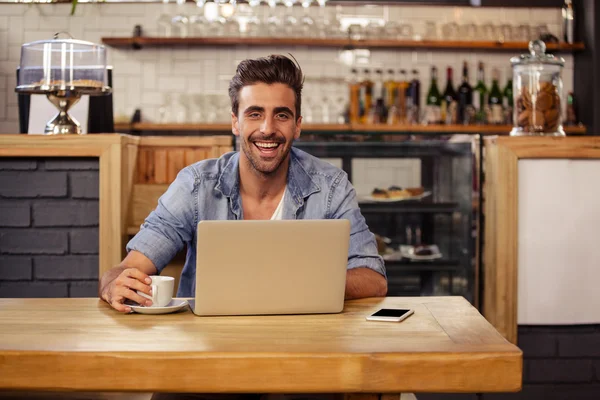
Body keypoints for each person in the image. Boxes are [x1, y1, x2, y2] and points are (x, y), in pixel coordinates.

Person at [99, 54, 387, 313]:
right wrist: (113, 284)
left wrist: (294, 286)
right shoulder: (196, 185)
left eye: (282, 115)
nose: (267, 129)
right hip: (208, 346)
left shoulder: (331, 186)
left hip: (303, 344)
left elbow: (372, 278)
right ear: (235, 122)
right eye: (255, 113)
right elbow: (127, 269)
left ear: (297, 125)